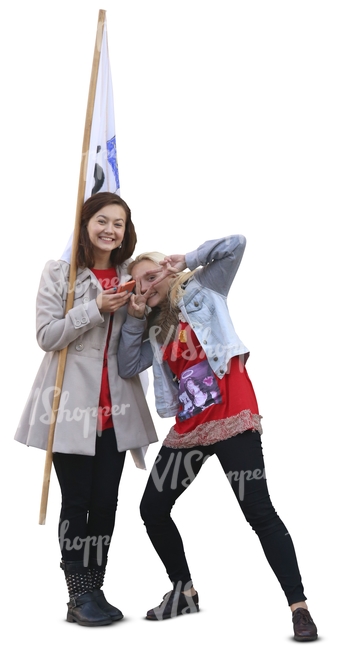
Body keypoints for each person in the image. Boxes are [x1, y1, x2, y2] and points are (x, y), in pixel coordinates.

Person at [117, 236, 318, 641]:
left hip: (230, 414)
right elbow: (125, 366)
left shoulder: (206, 289)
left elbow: (236, 245)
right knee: (152, 508)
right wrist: (136, 318)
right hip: (190, 428)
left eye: (151, 276)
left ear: (167, 271)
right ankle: (183, 591)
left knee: (258, 512)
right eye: (138, 283)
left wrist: (186, 260)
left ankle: (299, 608)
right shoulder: (154, 329)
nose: (146, 286)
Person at [15, 191, 158, 627]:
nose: (109, 229)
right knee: (77, 502)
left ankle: (94, 587)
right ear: (85, 223)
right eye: (101, 220)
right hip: (69, 408)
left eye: (118, 223)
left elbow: (136, 345)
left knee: (106, 503)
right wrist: (94, 308)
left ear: (125, 231)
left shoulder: (129, 276)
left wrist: (137, 313)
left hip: (116, 408)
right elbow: (46, 335)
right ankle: (77, 594)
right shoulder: (60, 273)